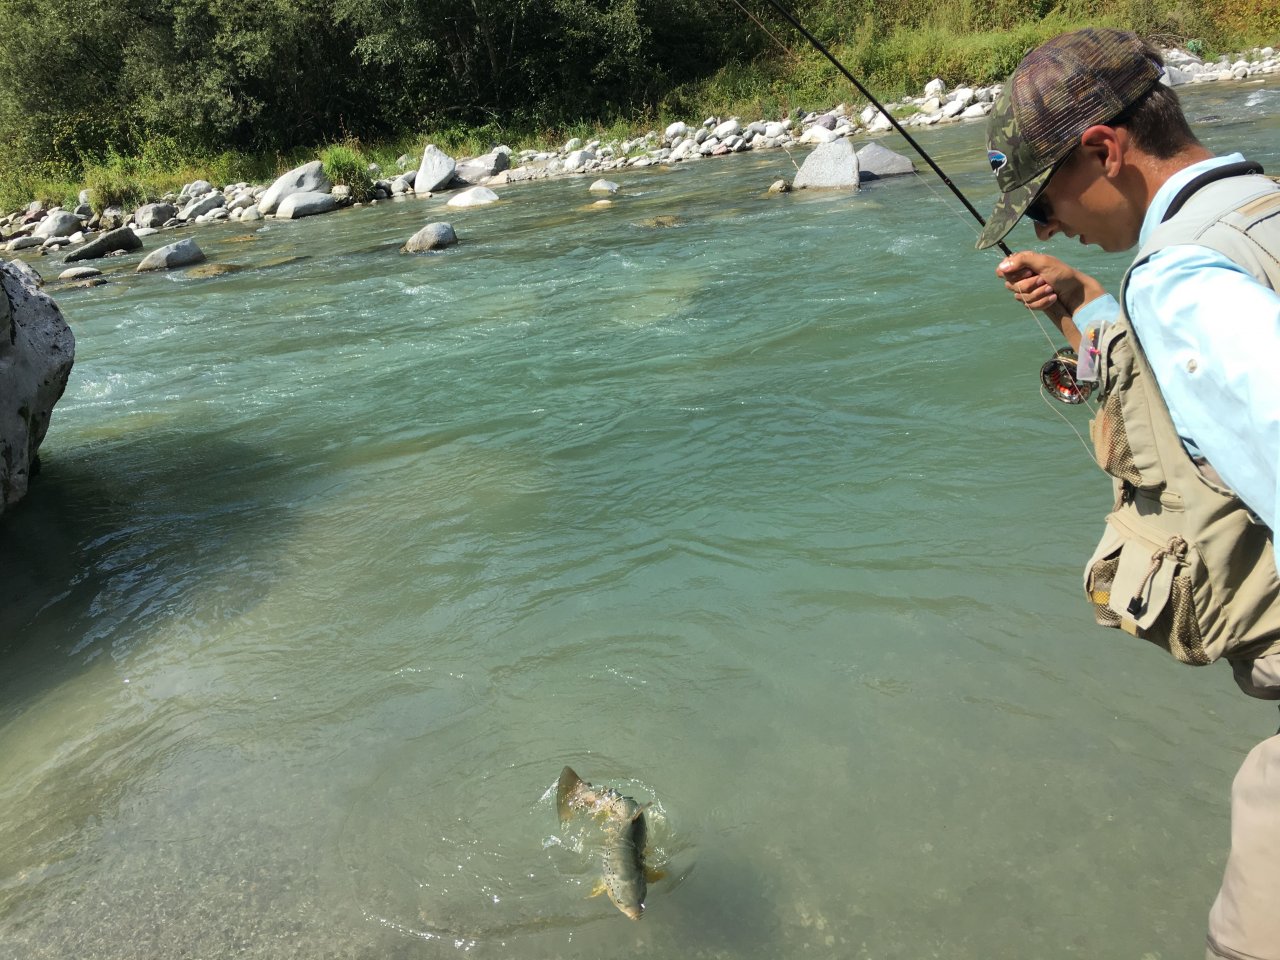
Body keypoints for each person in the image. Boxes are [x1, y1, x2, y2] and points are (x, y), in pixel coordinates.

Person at [975, 27, 1280, 960]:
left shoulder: (1184, 282)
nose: (1046, 227)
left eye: (1044, 199)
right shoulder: (1257, 212)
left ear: (1104, 149)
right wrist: (1092, 310)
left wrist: (1135, 300)